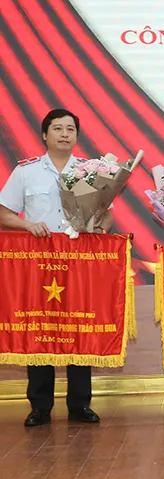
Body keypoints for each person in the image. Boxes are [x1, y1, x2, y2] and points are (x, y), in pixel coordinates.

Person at [0, 109, 112, 427]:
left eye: (70, 129)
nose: (64, 134)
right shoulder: (27, 172)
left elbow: (106, 213)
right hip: (39, 263)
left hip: (79, 262)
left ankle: (80, 404)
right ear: (44, 135)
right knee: (40, 328)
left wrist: (100, 228)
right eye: (58, 128)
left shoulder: (90, 172)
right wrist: (28, 225)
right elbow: (3, 212)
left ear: (77, 135)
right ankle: (40, 406)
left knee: (80, 325)